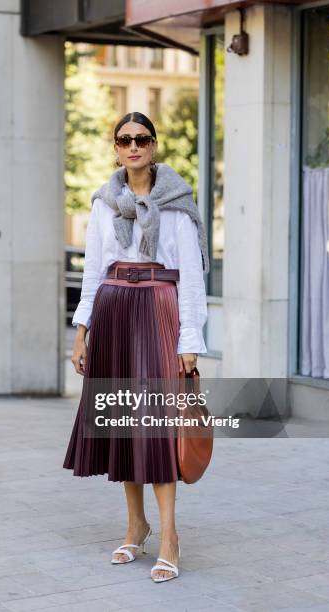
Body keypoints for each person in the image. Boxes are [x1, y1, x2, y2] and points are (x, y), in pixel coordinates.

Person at [63, 111, 209, 582]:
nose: (133, 147)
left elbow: (191, 277)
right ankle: (135, 524)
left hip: (159, 313)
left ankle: (170, 536)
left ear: (154, 145)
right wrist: (82, 329)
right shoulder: (104, 204)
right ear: (115, 147)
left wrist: (190, 339)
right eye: (124, 139)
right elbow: (93, 271)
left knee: (159, 428)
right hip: (113, 312)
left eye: (141, 139)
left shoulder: (177, 204)